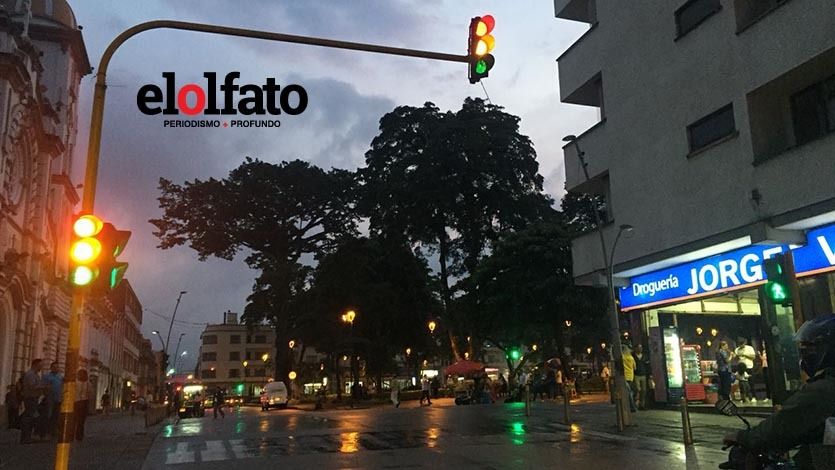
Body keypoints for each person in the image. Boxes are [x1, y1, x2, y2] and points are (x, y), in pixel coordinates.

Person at [724, 314, 835, 470]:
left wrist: (743, 438)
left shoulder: (824, 389)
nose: (805, 356)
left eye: (810, 349)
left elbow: (784, 424)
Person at [20, 358, 46, 444]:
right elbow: (32, 386)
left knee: (32, 417)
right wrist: (43, 387)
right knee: (28, 418)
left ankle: (28, 436)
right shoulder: (30, 374)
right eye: (40, 365)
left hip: (34, 398)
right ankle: (25, 438)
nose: (41, 367)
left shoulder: (36, 375)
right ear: (35, 365)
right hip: (30, 398)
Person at [43, 362, 63, 437]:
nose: (56, 368)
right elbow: (44, 387)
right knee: (49, 415)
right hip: (50, 399)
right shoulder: (47, 377)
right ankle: (47, 430)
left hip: (58, 399)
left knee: (56, 416)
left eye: (57, 367)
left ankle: (54, 430)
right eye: (54, 367)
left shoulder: (60, 377)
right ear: (51, 368)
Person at [734, 337, 757, 403]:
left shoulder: (749, 348)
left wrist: (745, 355)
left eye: (742, 344)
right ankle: (744, 398)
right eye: (740, 344)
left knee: (751, 383)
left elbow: (753, 357)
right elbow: (736, 358)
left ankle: (753, 397)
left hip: (749, 366)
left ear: (744, 343)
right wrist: (736, 356)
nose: (741, 345)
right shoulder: (737, 349)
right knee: (742, 384)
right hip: (741, 368)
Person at [74, 369, 91, 441]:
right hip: (82, 402)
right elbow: (90, 394)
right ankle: (79, 435)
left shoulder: (76, 382)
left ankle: (76, 435)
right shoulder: (88, 383)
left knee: (77, 420)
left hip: (77, 402)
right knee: (81, 421)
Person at [633, 344, 651, 410]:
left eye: (641, 347)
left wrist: (649, 374)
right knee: (637, 389)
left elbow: (647, 365)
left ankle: (642, 405)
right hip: (636, 375)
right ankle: (636, 404)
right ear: (635, 348)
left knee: (644, 390)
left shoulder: (644, 356)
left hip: (643, 374)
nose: (640, 349)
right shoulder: (633, 356)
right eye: (638, 348)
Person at [621, 345, 638, 413]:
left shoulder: (622, 357)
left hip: (623, 376)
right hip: (630, 376)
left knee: (628, 392)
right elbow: (635, 367)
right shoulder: (631, 358)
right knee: (629, 391)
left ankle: (631, 406)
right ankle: (632, 406)